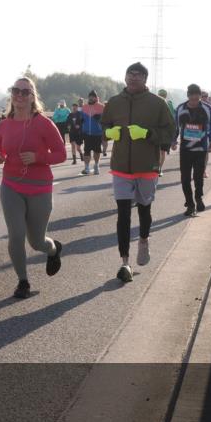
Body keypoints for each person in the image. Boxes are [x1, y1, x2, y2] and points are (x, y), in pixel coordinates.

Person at [0, 77, 66, 299]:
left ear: (32, 96)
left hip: (39, 188)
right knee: (16, 235)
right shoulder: (4, 124)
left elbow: (61, 154)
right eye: (16, 91)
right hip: (11, 186)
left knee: (36, 241)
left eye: (25, 91)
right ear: (11, 94)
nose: (19, 95)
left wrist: (38, 157)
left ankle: (53, 249)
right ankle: (23, 281)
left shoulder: (44, 123)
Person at [100, 62, 176, 283]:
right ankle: (124, 261)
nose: (133, 78)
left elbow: (169, 133)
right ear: (124, 77)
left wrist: (147, 134)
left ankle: (143, 239)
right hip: (121, 167)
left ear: (145, 79)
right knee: (123, 214)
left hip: (147, 167)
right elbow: (103, 128)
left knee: (144, 211)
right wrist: (108, 132)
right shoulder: (114, 103)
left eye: (139, 75)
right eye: (130, 74)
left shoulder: (157, 104)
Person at [172, 84, 211, 217]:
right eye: (191, 95)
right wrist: (173, 140)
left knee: (198, 177)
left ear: (199, 96)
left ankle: (199, 198)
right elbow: (175, 126)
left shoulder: (207, 108)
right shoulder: (180, 108)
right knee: (185, 178)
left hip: (201, 149)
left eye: (196, 95)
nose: (194, 98)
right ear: (188, 96)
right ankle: (190, 203)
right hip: (185, 149)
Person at [80, 90, 105, 175]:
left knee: (97, 151)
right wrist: (80, 123)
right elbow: (81, 119)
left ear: (96, 98)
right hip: (87, 133)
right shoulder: (84, 107)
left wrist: (100, 118)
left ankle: (96, 166)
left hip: (97, 133)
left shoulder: (101, 107)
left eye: (93, 96)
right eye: (90, 96)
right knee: (86, 151)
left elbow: (106, 119)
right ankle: (86, 168)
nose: (91, 98)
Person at [157, 89, 175, 174]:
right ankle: (159, 168)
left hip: (158, 131)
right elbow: (173, 119)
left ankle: (157, 168)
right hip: (165, 133)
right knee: (162, 152)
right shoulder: (170, 104)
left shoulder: (155, 103)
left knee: (157, 151)